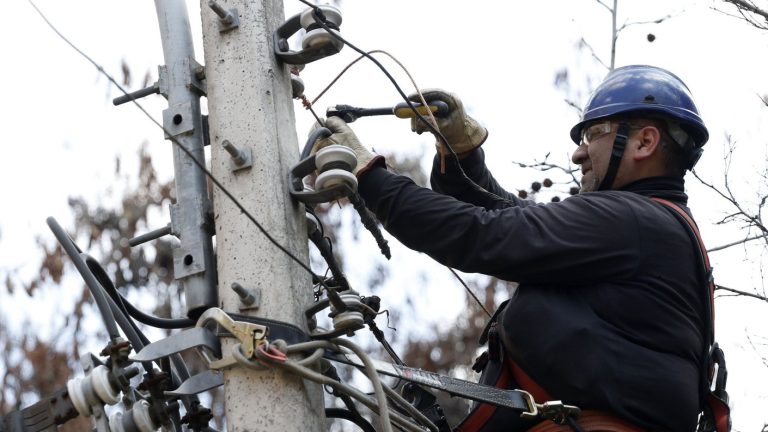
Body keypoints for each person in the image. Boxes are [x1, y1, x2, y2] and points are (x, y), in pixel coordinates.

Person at [315, 65, 714, 431]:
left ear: (644, 142)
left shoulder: (635, 221)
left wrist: (368, 177)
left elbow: (483, 234)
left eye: (593, 134)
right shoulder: (647, 227)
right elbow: (511, 219)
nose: (577, 153)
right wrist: (462, 157)